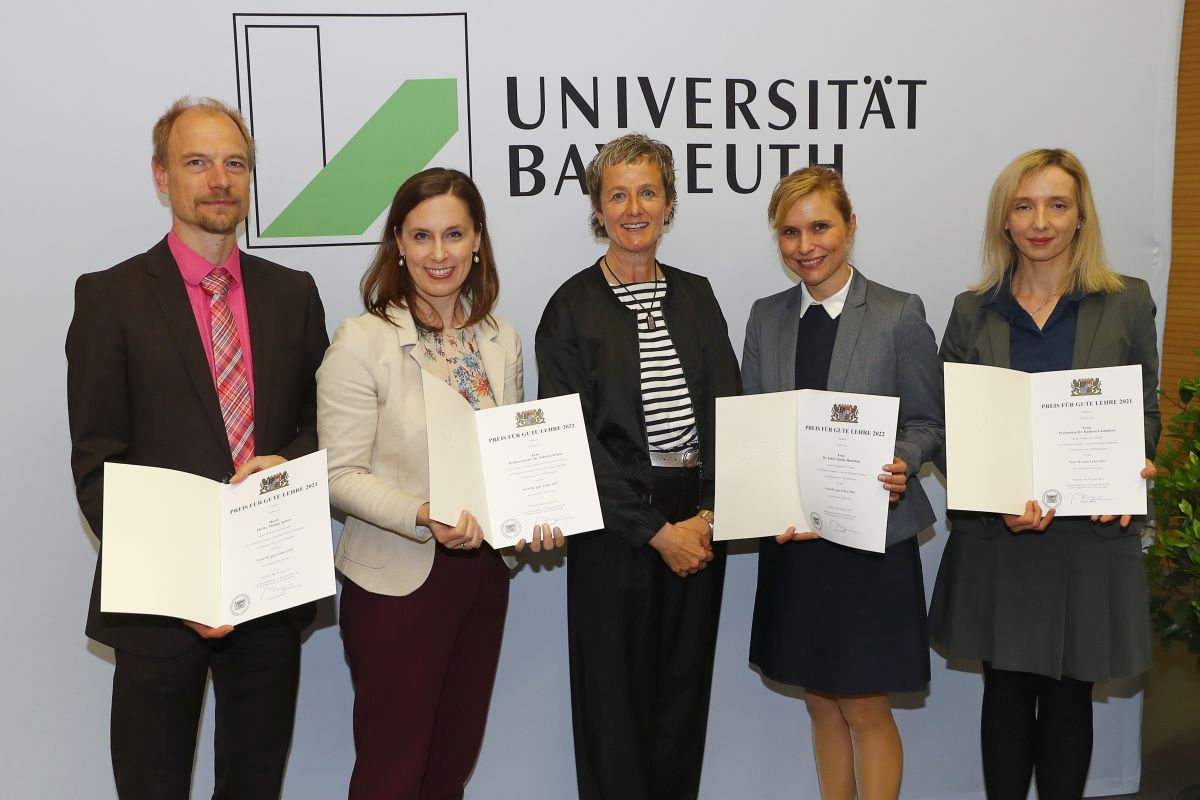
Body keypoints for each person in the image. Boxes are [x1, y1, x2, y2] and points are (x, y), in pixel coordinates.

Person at [65, 96, 329, 799]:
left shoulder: (293, 294)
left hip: (268, 592)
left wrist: (288, 464)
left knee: (255, 785)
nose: (219, 179)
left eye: (234, 163)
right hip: (158, 607)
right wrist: (178, 582)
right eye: (197, 162)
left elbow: (322, 425)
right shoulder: (110, 298)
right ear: (162, 176)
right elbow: (97, 465)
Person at [317, 167, 561, 799]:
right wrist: (423, 513)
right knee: (392, 773)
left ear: (477, 239)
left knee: (451, 766)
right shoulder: (362, 341)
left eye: (454, 234)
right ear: (397, 243)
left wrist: (536, 512)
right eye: (421, 236)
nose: (438, 253)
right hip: (398, 582)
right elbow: (338, 475)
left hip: (481, 577)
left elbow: (511, 456)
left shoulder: (500, 338)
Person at [928, 148, 1160, 799]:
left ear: (1080, 216)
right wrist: (994, 496)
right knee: (1004, 693)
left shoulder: (1127, 302)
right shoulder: (972, 310)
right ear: (1004, 219)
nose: (1040, 221)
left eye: (1057, 205)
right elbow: (950, 425)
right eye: (1024, 206)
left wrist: (1134, 465)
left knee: (1069, 696)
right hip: (1000, 536)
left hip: (1088, 537)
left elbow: (1143, 410)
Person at [535, 133, 741, 800]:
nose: (634, 208)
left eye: (648, 192)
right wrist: (655, 531)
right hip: (615, 529)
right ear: (598, 209)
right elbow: (571, 440)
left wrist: (707, 516)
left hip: (700, 524)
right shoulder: (570, 308)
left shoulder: (697, 296)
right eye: (618, 195)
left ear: (669, 204)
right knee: (614, 710)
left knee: (682, 701)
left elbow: (728, 412)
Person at [740, 167, 943, 799]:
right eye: (790, 232)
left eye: (820, 227)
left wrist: (902, 459)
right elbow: (755, 426)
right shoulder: (766, 317)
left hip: (869, 545)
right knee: (821, 702)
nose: (806, 246)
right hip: (795, 543)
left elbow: (928, 421)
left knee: (865, 708)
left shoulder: (898, 312)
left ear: (850, 227)